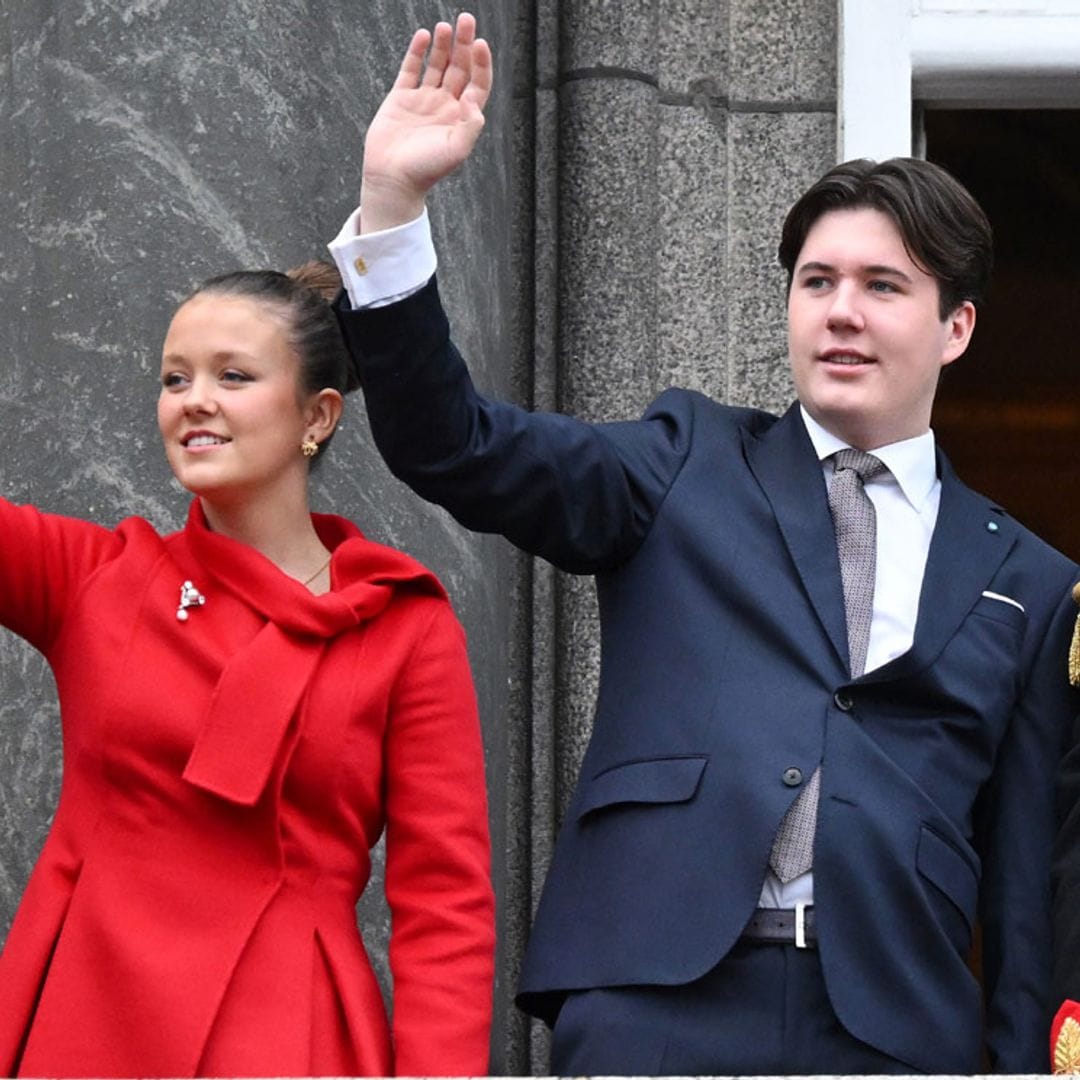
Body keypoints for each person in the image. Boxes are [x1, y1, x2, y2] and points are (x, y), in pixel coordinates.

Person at [331, 13, 1079, 1075]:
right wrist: (395, 207)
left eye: (883, 286)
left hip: (896, 1033)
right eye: (817, 282)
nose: (841, 313)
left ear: (955, 328)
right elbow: (456, 446)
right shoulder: (684, 458)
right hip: (654, 1002)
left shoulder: (1034, 583)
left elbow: (1025, 877)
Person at [0, 262, 495, 1077]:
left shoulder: (405, 626)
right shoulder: (98, 578)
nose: (194, 399)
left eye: (233, 375)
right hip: (88, 1018)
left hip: (286, 1029)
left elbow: (445, 905)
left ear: (318, 416)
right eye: (174, 378)